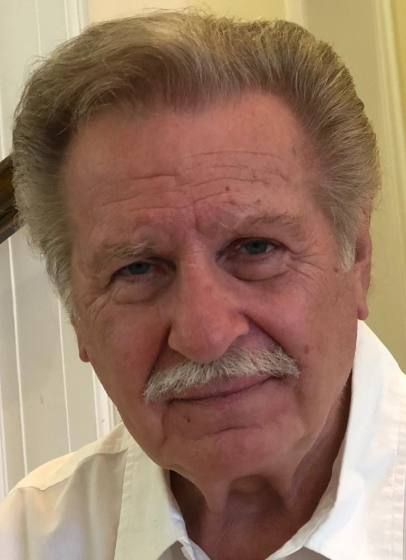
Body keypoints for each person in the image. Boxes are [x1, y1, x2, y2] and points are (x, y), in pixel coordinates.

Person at [1, 9, 405, 560]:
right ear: (77, 317)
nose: (205, 335)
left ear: (357, 257)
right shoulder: (29, 538)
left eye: (256, 249)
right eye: (137, 269)